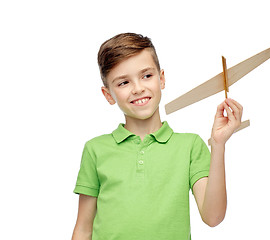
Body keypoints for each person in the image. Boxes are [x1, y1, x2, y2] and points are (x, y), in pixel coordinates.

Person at [71, 33, 243, 240]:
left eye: (146, 76)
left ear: (161, 79)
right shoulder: (95, 149)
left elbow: (213, 217)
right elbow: (83, 229)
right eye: (123, 82)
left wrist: (218, 144)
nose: (138, 88)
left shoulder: (189, 146)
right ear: (108, 95)